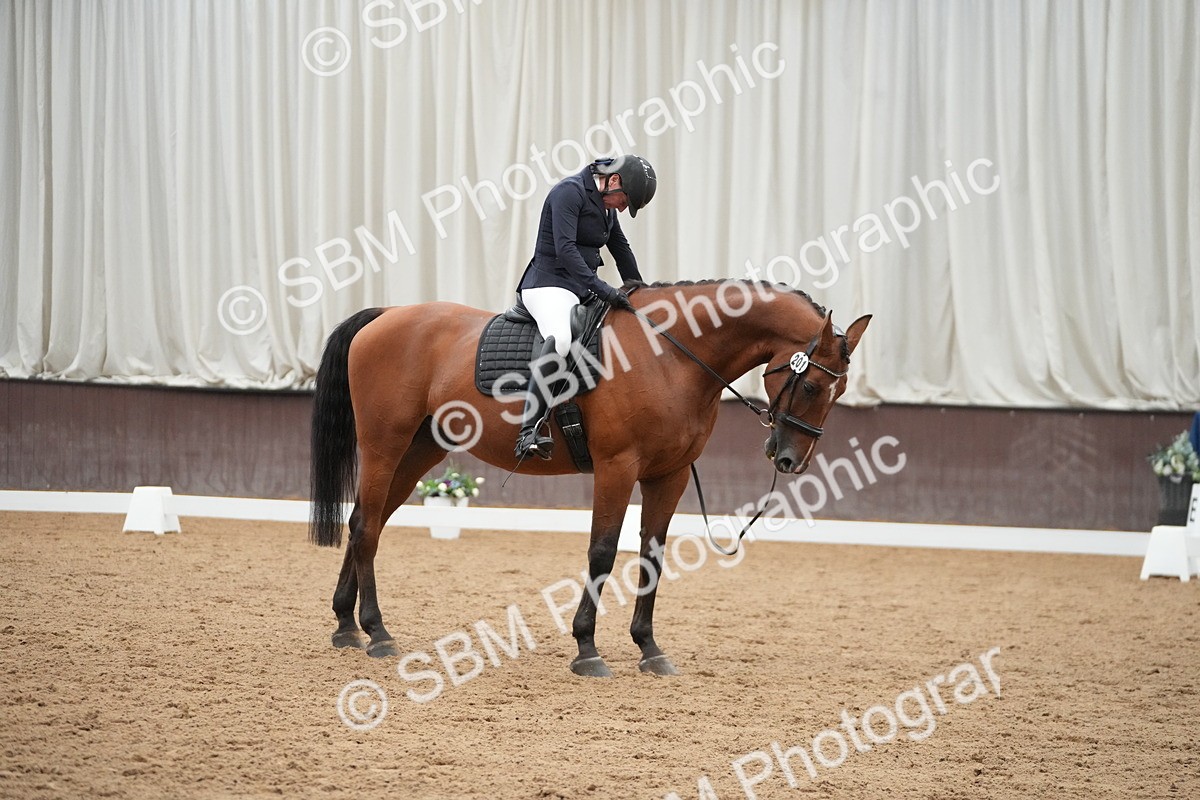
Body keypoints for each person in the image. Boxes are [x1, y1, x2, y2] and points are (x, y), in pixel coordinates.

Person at [513, 153, 657, 460]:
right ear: (614, 181)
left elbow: (620, 247)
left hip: (580, 289)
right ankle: (528, 431)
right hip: (548, 285)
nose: (621, 207)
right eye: (624, 201)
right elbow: (565, 250)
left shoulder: (605, 205)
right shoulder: (569, 192)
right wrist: (605, 290)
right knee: (562, 338)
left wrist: (639, 292)